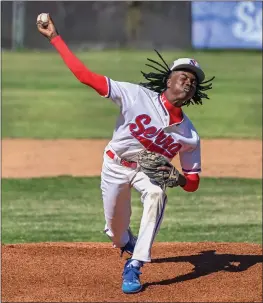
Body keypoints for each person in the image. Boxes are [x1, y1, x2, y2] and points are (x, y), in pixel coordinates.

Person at [36, 14, 214, 294]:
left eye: (193, 81)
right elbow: (85, 77)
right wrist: (54, 38)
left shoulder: (189, 135)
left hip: (147, 172)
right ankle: (124, 242)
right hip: (115, 166)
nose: (188, 82)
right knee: (117, 232)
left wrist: (178, 179)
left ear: (193, 94)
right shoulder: (135, 95)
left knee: (157, 194)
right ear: (169, 80)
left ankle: (135, 263)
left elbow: (193, 183)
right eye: (183, 76)